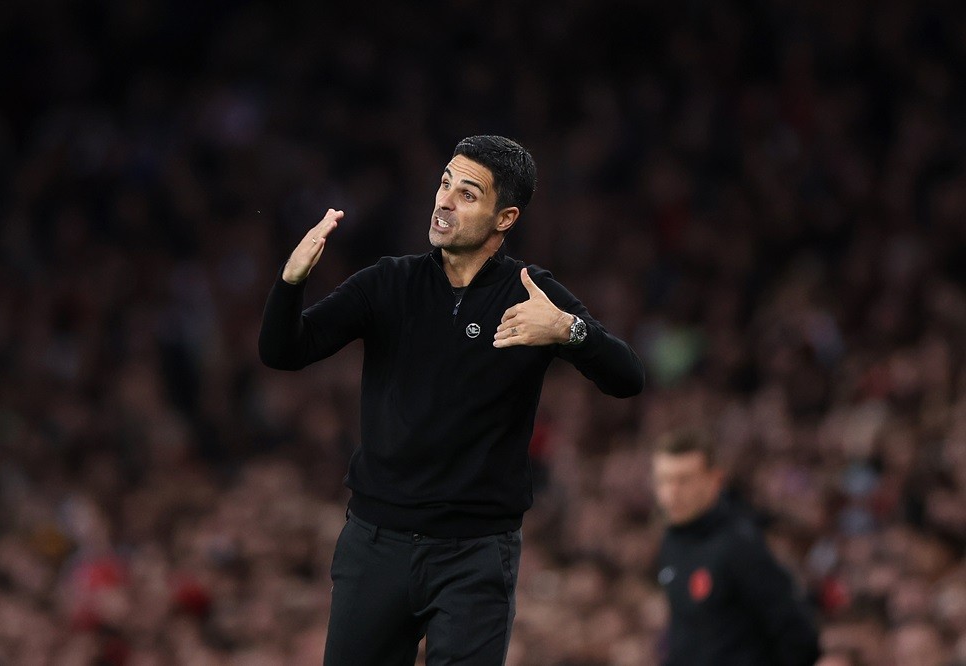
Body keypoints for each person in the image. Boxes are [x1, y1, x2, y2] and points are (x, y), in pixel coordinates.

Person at [258, 135, 645, 665]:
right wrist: (290, 282)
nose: (443, 200)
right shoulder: (389, 282)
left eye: (467, 194)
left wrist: (569, 329)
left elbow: (628, 378)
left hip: (476, 556)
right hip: (376, 547)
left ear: (504, 217)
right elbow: (284, 351)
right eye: (444, 184)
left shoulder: (530, 293)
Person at [652, 429, 822, 666]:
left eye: (684, 480)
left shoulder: (741, 544)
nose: (672, 493)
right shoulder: (672, 543)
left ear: (715, 480)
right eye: (664, 480)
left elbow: (797, 633)